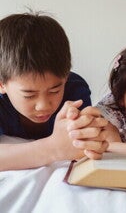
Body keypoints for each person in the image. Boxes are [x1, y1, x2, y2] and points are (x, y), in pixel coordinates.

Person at [0, 12, 108, 171]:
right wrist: (52, 148)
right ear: (2, 84)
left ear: (65, 77)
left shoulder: (74, 90)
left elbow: (83, 142)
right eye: (29, 95)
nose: (43, 106)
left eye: (55, 91)